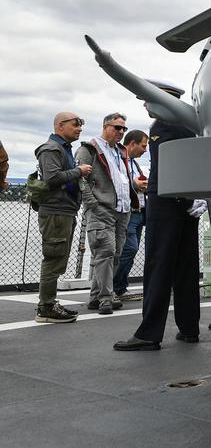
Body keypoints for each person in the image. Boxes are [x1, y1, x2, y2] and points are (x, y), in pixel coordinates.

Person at [114, 80, 205, 351]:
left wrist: (184, 197)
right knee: (185, 267)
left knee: (158, 267)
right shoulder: (185, 126)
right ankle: (189, 328)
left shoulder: (165, 127)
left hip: (167, 202)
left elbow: (172, 166)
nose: (145, 104)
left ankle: (149, 333)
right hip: (183, 202)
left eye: (147, 99)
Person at [34, 113, 92, 323]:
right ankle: (46, 308)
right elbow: (51, 178)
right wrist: (78, 171)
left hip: (64, 211)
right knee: (53, 259)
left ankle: (49, 303)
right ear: (60, 126)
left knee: (58, 259)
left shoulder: (62, 149)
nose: (79, 129)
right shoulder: (51, 149)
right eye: (75, 124)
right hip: (56, 212)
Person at [76, 113, 133, 315]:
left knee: (114, 254)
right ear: (105, 126)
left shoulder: (121, 151)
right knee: (105, 252)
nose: (121, 132)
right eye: (117, 127)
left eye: (123, 129)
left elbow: (122, 179)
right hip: (102, 210)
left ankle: (96, 296)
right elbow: (81, 179)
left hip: (122, 210)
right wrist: (93, 204)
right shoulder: (89, 149)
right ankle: (106, 298)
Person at [112, 129, 149, 301]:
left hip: (139, 212)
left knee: (130, 251)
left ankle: (119, 288)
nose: (146, 149)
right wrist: (135, 184)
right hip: (129, 213)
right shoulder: (121, 159)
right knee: (129, 249)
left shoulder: (133, 162)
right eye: (143, 145)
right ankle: (114, 287)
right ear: (132, 143)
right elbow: (118, 182)